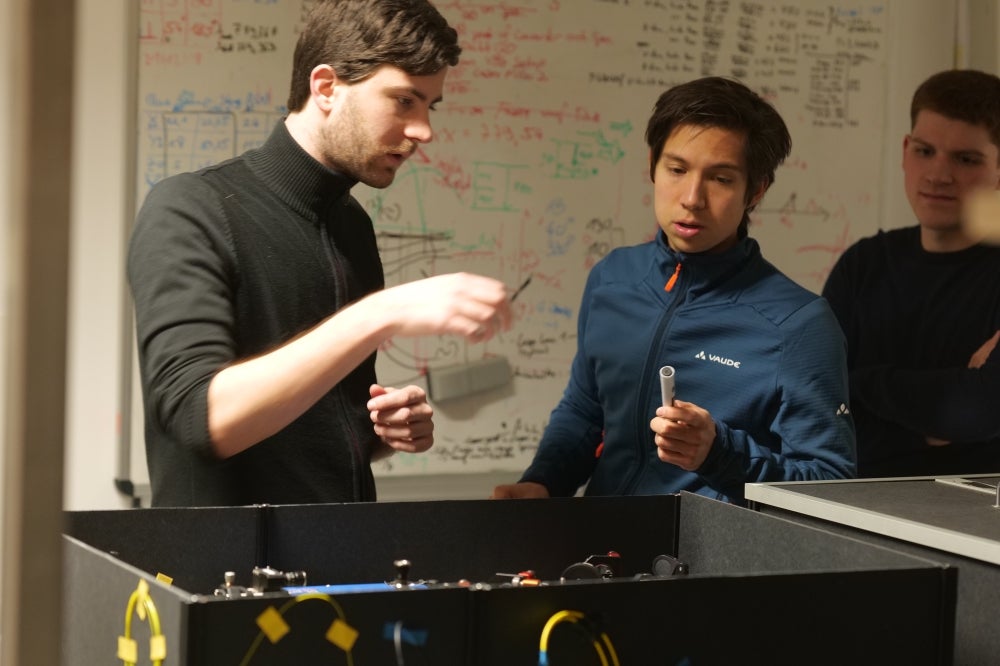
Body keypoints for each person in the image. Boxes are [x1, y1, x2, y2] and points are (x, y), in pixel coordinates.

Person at [128, 0, 512, 507]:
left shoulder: (352, 226)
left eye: (429, 107)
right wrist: (382, 312)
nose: (423, 131)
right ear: (326, 87)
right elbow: (202, 420)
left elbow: (312, 426)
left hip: (340, 563)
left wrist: (380, 430)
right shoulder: (188, 208)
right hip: (226, 574)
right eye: (404, 101)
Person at [492, 77, 856, 504]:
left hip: (709, 561)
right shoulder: (613, 279)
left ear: (755, 191)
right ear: (652, 165)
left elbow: (830, 482)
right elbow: (585, 412)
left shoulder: (799, 324)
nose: (692, 198)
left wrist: (720, 452)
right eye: (677, 169)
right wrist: (544, 481)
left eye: (720, 178)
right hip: (598, 548)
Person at [822, 69, 1000, 477]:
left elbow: (981, 412)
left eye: (966, 159)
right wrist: (931, 425)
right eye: (924, 151)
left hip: (975, 525)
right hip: (850, 510)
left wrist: (861, 385)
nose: (938, 174)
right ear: (905, 150)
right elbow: (816, 413)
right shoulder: (862, 266)